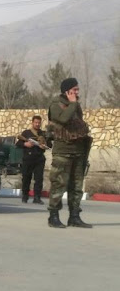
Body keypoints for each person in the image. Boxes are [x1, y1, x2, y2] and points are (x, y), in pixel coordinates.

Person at [46, 78, 92, 228]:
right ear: (67, 91)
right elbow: (63, 119)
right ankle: (53, 216)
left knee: (77, 186)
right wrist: (72, 103)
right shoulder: (56, 105)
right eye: (75, 89)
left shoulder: (75, 106)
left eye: (78, 89)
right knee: (59, 184)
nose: (78, 92)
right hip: (63, 152)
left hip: (78, 151)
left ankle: (74, 216)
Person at [16, 115, 51, 204]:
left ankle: (37, 197)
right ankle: (25, 196)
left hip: (39, 159)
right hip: (28, 158)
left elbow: (50, 145)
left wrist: (44, 146)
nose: (37, 124)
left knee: (39, 179)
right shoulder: (26, 133)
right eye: (36, 122)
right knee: (26, 178)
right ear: (32, 123)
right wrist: (25, 144)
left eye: (39, 123)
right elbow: (18, 144)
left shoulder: (43, 134)